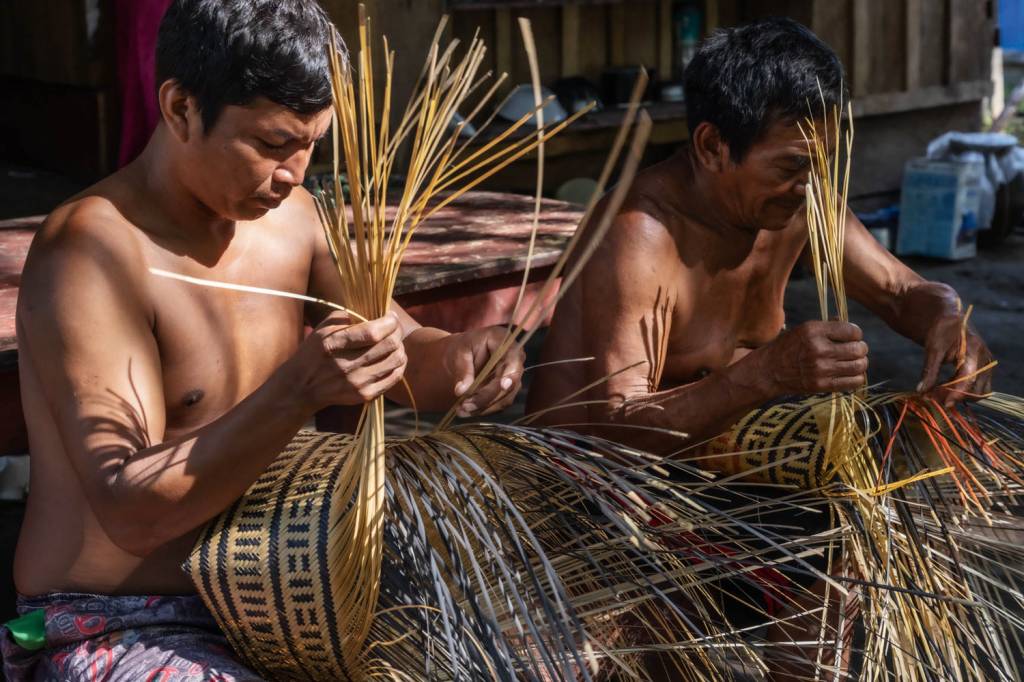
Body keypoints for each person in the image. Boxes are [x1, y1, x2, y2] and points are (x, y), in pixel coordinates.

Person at [5, 1, 523, 679]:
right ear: (182, 108)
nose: (295, 172)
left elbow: (399, 350)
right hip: (119, 614)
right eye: (274, 144)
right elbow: (130, 508)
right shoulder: (95, 252)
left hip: (286, 592)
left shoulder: (297, 220)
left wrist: (462, 356)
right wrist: (296, 391)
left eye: (313, 144)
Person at [527, 17, 993, 680]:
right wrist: (769, 373)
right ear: (713, 146)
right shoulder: (640, 236)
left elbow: (899, 290)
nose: (810, 185)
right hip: (595, 497)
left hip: (717, 471)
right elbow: (614, 432)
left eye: (822, 165)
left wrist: (946, 315)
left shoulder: (800, 201)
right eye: (791, 167)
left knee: (845, 533)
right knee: (651, 634)